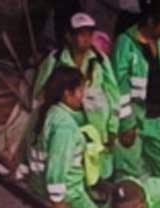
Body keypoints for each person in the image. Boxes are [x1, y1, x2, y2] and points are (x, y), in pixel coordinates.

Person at [110, 0, 160, 180]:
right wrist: (127, 123)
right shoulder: (125, 43)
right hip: (135, 118)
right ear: (151, 22)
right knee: (129, 172)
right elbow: (119, 86)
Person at [33, 13, 119, 160]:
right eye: (81, 34)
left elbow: (113, 93)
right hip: (67, 124)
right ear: (69, 36)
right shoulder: (55, 60)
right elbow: (39, 93)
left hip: (97, 125)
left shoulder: (100, 60)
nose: (87, 39)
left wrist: (113, 127)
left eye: (90, 34)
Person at [27, 67, 103, 208]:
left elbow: (27, 144)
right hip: (69, 194)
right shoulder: (65, 126)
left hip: (38, 186)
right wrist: (57, 200)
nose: (83, 96)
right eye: (80, 90)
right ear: (67, 94)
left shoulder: (43, 112)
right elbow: (57, 164)